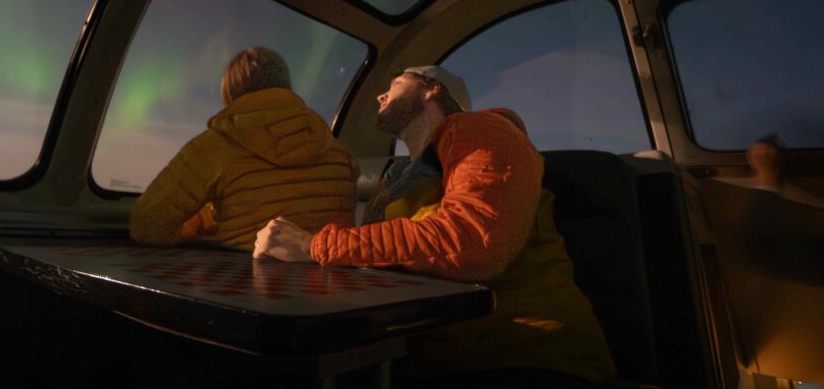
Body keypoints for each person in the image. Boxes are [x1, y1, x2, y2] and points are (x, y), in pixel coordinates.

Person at [254, 66, 615, 387]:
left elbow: (473, 242)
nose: (381, 93)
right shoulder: (399, 179)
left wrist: (316, 245)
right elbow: (380, 251)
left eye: (397, 82)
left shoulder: (484, 129)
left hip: (523, 353)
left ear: (432, 89)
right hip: (425, 358)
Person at [129, 46, 358, 250]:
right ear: (285, 86)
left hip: (250, 287)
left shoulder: (214, 147)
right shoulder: (339, 152)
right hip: (330, 286)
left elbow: (146, 225)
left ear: (229, 94)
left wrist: (203, 225)